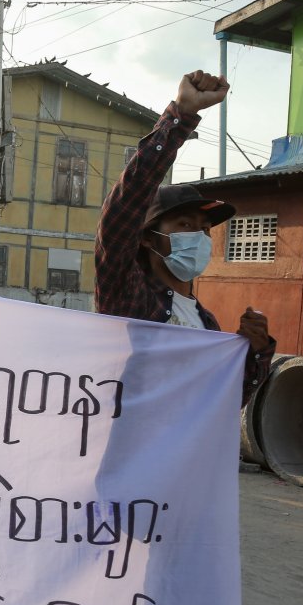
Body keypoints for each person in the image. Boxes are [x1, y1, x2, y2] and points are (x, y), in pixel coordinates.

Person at [94, 70, 274, 405]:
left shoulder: (205, 322)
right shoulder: (127, 295)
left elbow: (222, 402)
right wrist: (180, 116)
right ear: (148, 238)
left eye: (205, 228)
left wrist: (257, 352)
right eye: (185, 224)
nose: (200, 236)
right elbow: (124, 206)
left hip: (183, 459)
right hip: (131, 454)